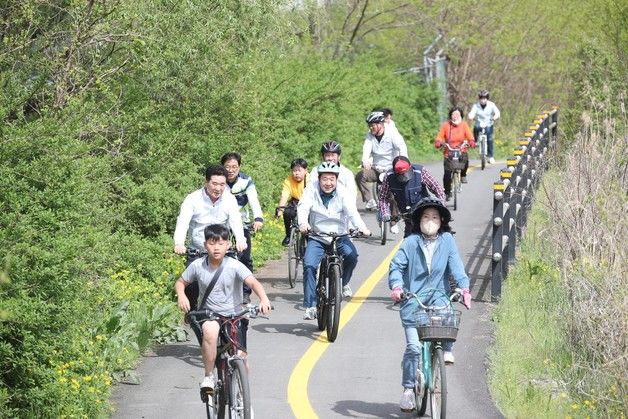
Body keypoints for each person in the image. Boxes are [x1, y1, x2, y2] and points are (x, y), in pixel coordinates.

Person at [388, 197, 471, 412]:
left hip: (438, 296)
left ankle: (446, 351)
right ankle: (408, 390)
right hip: (413, 299)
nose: (430, 220)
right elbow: (396, 266)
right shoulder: (410, 242)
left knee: (447, 314)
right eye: (426, 216)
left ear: (442, 220)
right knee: (414, 347)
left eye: (434, 216)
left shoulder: (447, 241)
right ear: (419, 220)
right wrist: (397, 286)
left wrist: (464, 288)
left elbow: (457, 267)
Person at [174, 224, 272, 393]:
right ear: (205, 245)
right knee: (210, 332)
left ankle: (242, 400)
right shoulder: (198, 265)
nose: (216, 247)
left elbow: (253, 282)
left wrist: (264, 299)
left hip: (234, 315)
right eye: (212, 243)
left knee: (242, 359)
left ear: (228, 245)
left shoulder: (234, 265)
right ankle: (209, 376)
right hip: (210, 314)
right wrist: (181, 295)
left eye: (221, 243)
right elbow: (181, 282)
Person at [297, 162, 371, 320]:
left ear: (336, 180)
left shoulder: (343, 192)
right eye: (325, 179)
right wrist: (303, 222)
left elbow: (352, 213)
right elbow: (303, 206)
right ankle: (310, 305)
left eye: (332, 179)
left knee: (352, 256)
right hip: (317, 235)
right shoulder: (311, 189)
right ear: (319, 179)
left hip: (339, 236)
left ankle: (343, 282)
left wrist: (362, 228)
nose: (328, 183)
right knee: (309, 265)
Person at [173, 165, 247, 309]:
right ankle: (192, 313)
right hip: (198, 249)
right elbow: (183, 222)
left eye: (222, 184)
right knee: (191, 285)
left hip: (222, 249)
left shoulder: (229, 199)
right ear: (206, 182)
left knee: (234, 277)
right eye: (214, 183)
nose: (218, 188)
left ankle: (234, 310)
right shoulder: (192, 199)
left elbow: (236, 222)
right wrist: (179, 243)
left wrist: (240, 240)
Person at [221, 152, 264, 302]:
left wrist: (258, 218)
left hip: (241, 222)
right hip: (222, 224)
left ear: (239, 167)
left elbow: (253, 200)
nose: (231, 170)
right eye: (227, 167)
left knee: (245, 257)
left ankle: (245, 292)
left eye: (234, 167)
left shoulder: (246, 181)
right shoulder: (219, 181)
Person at [378, 156, 446, 237]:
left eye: (406, 173)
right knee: (408, 240)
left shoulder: (420, 171)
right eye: (401, 175)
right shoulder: (389, 176)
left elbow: (437, 188)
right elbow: (383, 198)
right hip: (407, 215)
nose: (404, 177)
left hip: (424, 212)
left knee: (433, 236)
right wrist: (385, 213)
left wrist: (441, 206)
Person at [356, 110, 408, 211]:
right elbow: (366, 148)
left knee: (393, 195)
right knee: (360, 176)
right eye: (369, 126)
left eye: (373, 125)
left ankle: (394, 223)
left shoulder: (392, 132)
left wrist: (403, 161)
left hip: (392, 169)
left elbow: (402, 147)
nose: (371, 128)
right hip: (377, 168)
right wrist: (365, 160)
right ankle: (370, 201)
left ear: (380, 124)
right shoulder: (370, 135)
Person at [434, 106, 476, 200]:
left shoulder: (464, 125)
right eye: (453, 114)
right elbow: (440, 136)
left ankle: (463, 175)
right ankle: (447, 192)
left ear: (460, 115)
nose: (455, 116)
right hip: (449, 152)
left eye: (457, 114)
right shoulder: (446, 125)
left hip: (461, 150)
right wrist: (438, 142)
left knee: (465, 160)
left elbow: (470, 136)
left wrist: (471, 141)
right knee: (447, 174)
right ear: (450, 115)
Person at [276, 158, 309, 246]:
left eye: (299, 170)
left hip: (308, 201)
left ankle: (310, 237)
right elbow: (285, 195)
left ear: (305, 171)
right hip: (295, 200)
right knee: (287, 212)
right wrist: (280, 209)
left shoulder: (310, 179)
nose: (296, 173)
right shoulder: (289, 180)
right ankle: (288, 235)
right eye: (294, 171)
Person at [468, 89, 500, 165]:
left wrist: (494, 117)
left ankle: (491, 156)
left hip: (489, 123)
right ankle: (475, 141)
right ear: (479, 99)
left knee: (489, 139)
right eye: (481, 98)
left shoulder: (491, 105)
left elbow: (497, 113)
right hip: (479, 123)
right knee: (475, 127)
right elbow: (471, 114)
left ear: (487, 98)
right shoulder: (476, 106)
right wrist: (471, 117)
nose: (483, 100)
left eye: (484, 98)